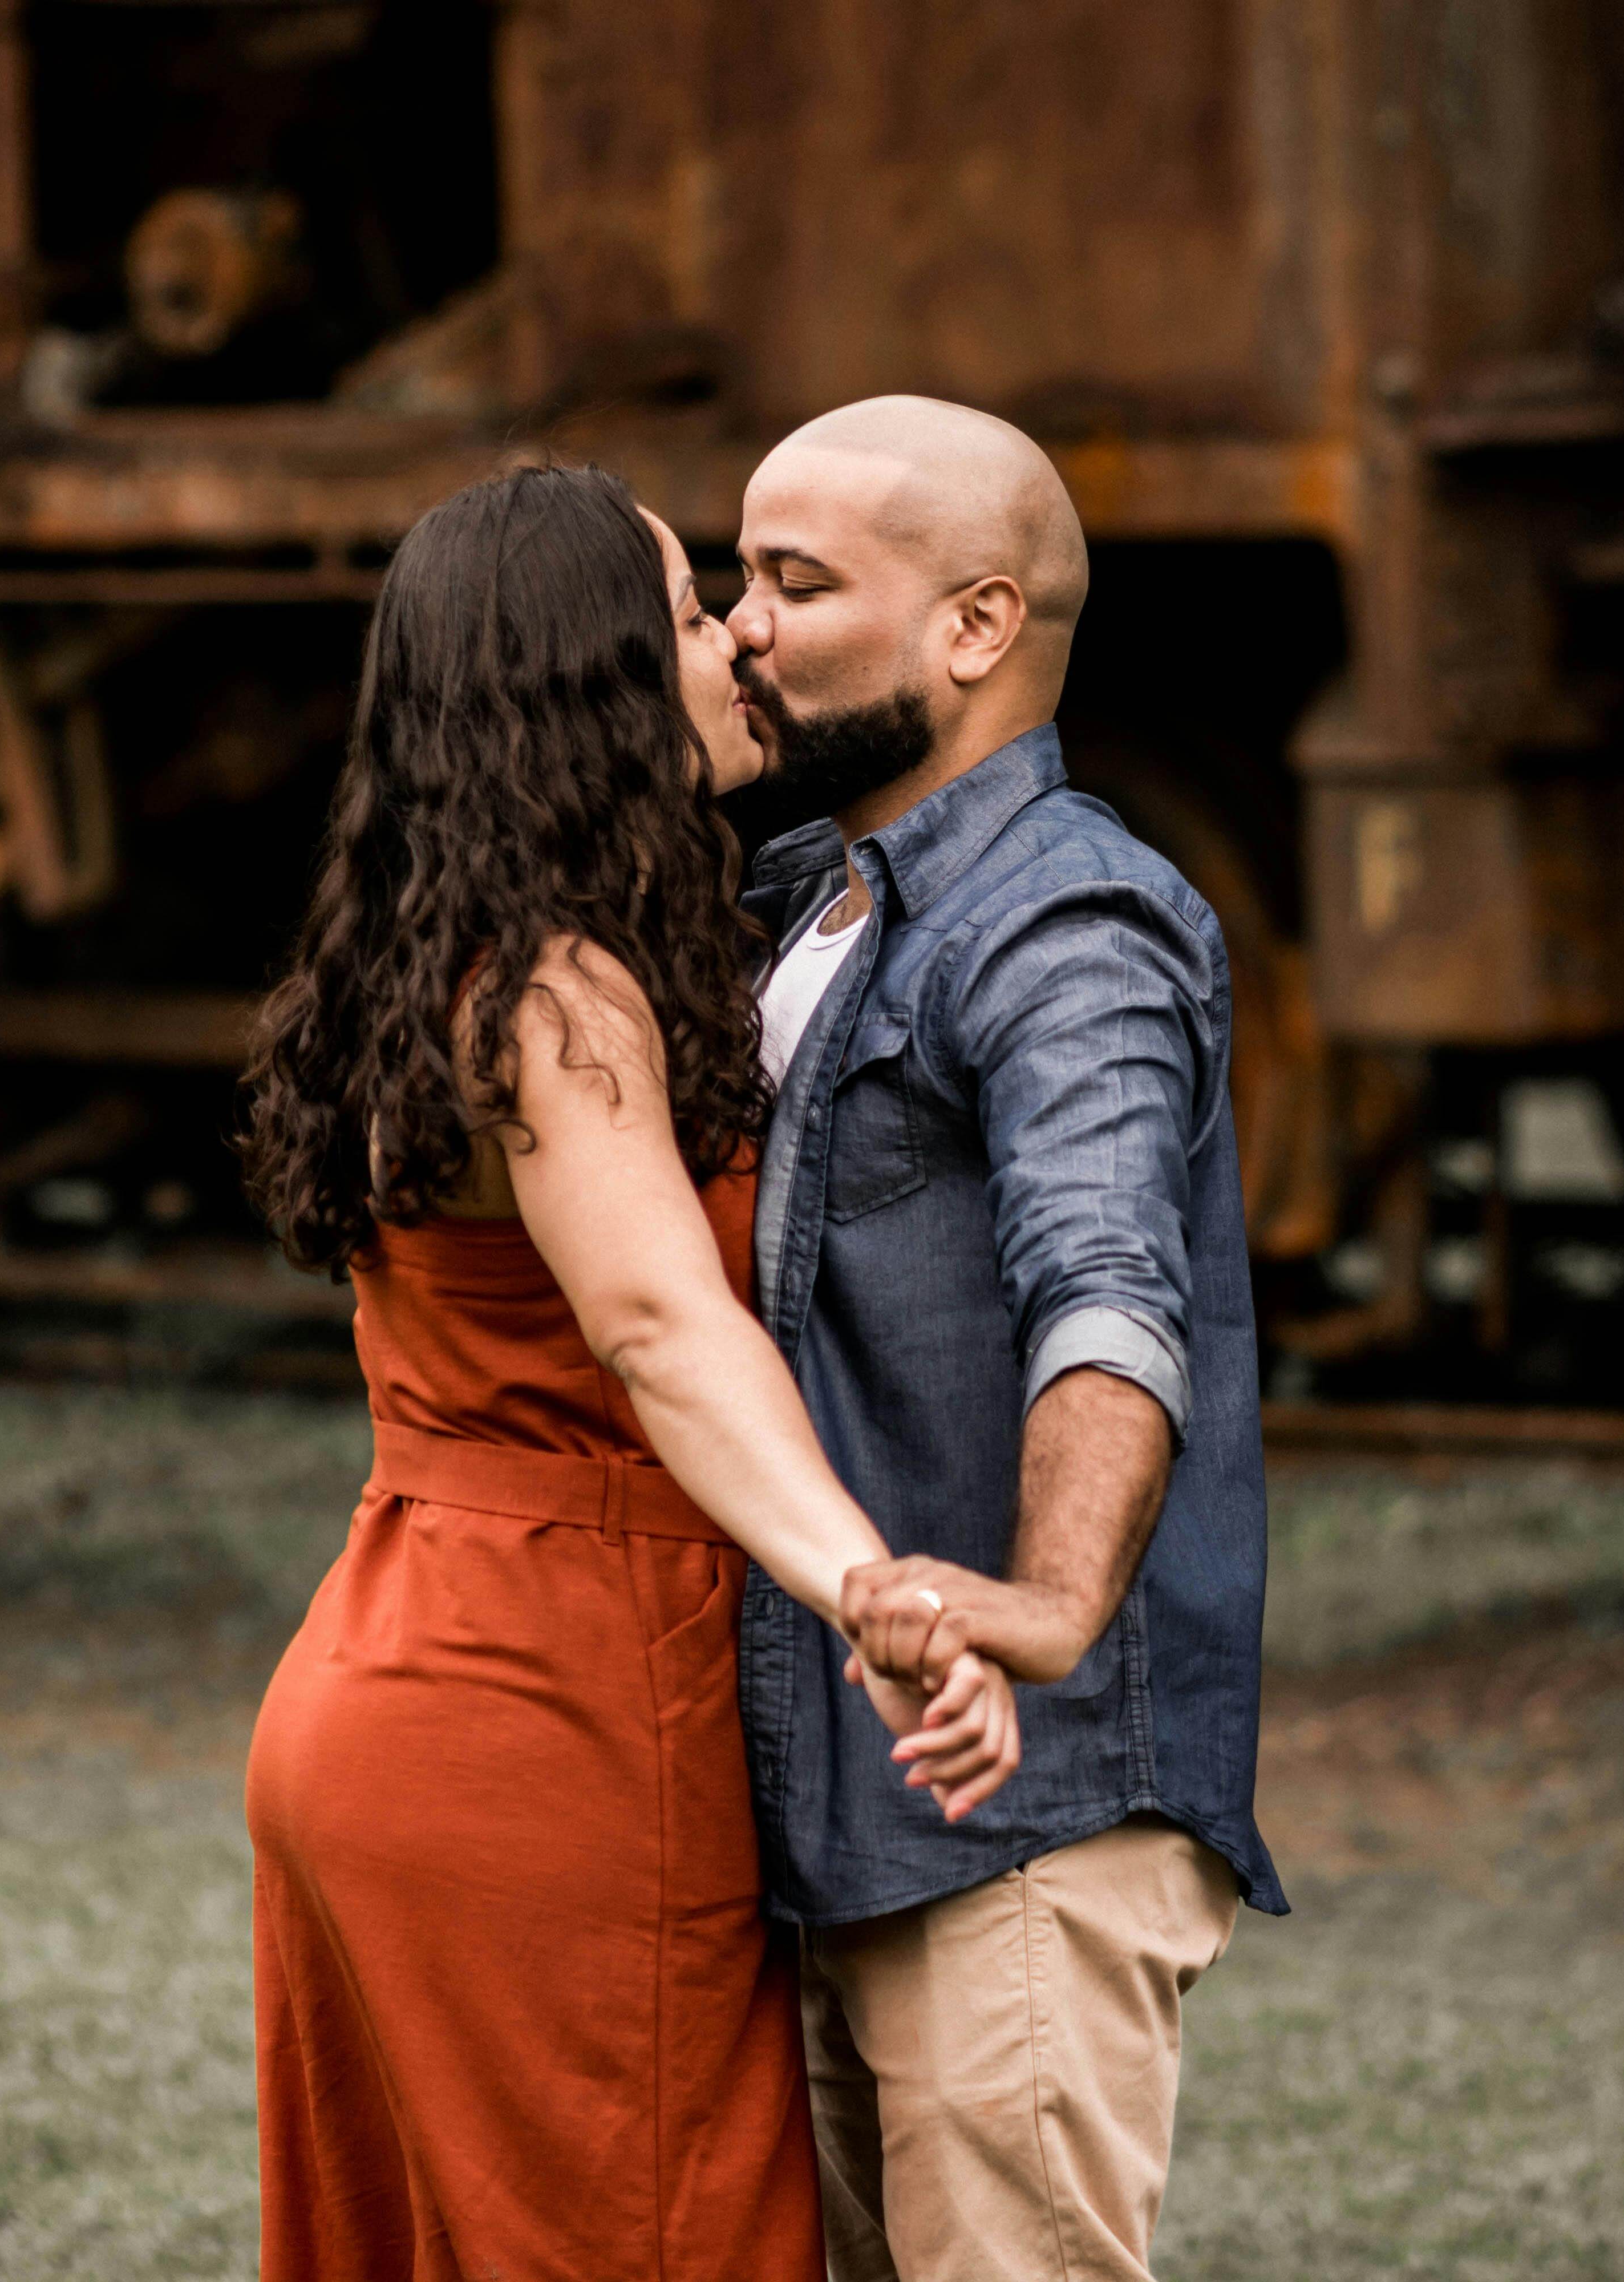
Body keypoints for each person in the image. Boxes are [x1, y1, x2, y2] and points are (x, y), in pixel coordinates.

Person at [236, 461, 1027, 2282]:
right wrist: (872, 1588)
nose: (737, 639)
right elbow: (662, 1328)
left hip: (388, 1682)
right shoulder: (558, 991)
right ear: (590, 682)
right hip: (554, 1718)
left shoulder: (444, 960)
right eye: (687, 613)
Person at [720, 396, 1288, 2282]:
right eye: (738, 579)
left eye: (798, 584)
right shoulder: (821, 896)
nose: (745, 627)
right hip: (856, 1805)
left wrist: (1044, 1604)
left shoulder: (1067, 923)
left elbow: (1107, 1281)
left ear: (974, 627)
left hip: (1021, 1823)